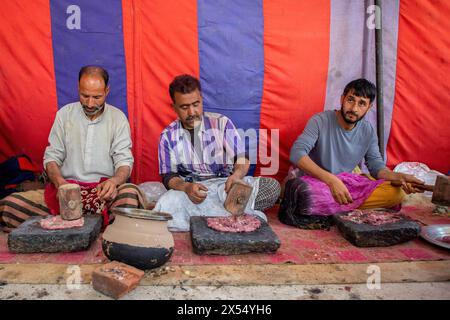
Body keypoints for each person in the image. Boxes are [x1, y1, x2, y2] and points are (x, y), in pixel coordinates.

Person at [0, 66, 146, 230]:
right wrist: (60, 183)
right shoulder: (64, 115)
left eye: (97, 97)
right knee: (11, 205)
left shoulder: (118, 118)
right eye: (85, 96)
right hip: (66, 193)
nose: (90, 103)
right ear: (78, 89)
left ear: (107, 91)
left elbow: (124, 161)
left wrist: (115, 181)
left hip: (102, 194)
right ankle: (93, 223)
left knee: (130, 195)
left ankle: (72, 223)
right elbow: (52, 157)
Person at [155, 74, 280, 231]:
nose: (192, 112)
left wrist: (236, 176)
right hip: (193, 192)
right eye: (184, 107)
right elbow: (168, 177)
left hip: (226, 189)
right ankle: (234, 215)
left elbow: (242, 158)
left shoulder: (221, 123)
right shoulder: (168, 136)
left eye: (196, 104)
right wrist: (186, 187)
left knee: (272, 187)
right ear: (174, 107)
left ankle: (203, 217)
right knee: (167, 202)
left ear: (201, 99)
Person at [285, 78, 423, 217]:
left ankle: (337, 205)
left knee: (396, 192)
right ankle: (345, 204)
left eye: (362, 103)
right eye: (350, 100)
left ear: (369, 107)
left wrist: (399, 176)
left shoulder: (368, 131)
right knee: (305, 196)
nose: (354, 108)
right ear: (342, 99)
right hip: (316, 182)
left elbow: (377, 168)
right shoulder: (320, 121)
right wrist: (331, 180)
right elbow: (297, 153)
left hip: (345, 185)